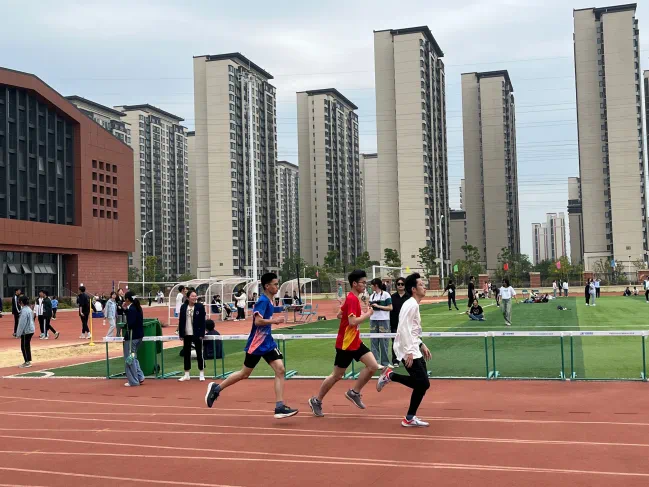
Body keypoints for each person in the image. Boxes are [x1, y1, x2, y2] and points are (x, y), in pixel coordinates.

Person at [205, 272, 298, 419]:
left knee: (280, 370)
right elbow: (258, 321)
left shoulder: (269, 301)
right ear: (267, 286)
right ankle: (217, 388)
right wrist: (274, 321)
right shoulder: (262, 301)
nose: (277, 287)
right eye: (275, 284)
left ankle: (279, 407)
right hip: (257, 344)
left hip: (268, 342)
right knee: (244, 374)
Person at [307, 269, 379, 417]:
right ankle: (316, 400)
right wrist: (368, 314)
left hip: (355, 341)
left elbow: (340, 314)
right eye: (363, 282)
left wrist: (354, 313)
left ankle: (354, 392)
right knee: (336, 375)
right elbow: (352, 322)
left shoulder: (352, 298)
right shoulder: (352, 299)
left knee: (372, 366)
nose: (365, 285)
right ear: (354, 284)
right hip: (346, 344)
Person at [376, 273, 432, 427]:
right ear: (413, 289)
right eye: (421, 285)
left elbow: (412, 330)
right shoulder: (411, 304)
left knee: (423, 385)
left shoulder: (413, 304)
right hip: (407, 349)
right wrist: (408, 352)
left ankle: (409, 418)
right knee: (423, 383)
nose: (424, 287)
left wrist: (421, 344)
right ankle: (390, 375)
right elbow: (403, 328)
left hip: (413, 347)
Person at [178, 290, 206, 382]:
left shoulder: (200, 306)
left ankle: (201, 373)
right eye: (192, 296)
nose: (194, 298)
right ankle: (186, 374)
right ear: (188, 297)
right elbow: (181, 321)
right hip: (187, 333)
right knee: (186, 353)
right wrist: (181, 334)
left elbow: (202, 321)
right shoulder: (183, 307)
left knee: (199, 353)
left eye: (195, 296)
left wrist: (202, 333)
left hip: (197, 333)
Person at [368, 278, 392, 369]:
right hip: (373, 319)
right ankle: (376, 362)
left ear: (376, 285)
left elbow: (390, 307)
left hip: (384, 319)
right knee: (374, 341)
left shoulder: (386, 294)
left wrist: (378, 306)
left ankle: (385, 362)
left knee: (384, 341)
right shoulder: (372, 296)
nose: (371, 286)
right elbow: (370, 308)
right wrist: (370, 306)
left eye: (372, 285)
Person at [123, 291, 145, 387]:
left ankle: (133, 381)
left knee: (130, 358)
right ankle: (140, 376)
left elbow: (131, 323)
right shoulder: (137, 307)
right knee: (134, 356)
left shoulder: (132, 309)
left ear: (127, 299)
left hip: (132, 337)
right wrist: (125, 310)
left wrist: (125, 325)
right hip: (139, 336)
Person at [389, 277, 408, 368]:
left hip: (406, 324)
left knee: (406, 342)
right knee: (395, 343)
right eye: (398, 284)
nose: (400, 285)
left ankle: (406, 359)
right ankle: (395, 360)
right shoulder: (392, 297)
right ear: (396, 285)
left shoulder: (409, 297)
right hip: (395, 323)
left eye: (402, 284)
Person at [16, 295, 35, 368]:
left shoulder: (24, 311)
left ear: (21, 302)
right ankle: (28, 360)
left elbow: (22, 323)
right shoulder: (29, 309)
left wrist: (18, 333)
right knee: (27, 346)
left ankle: (27, 362)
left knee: (24, 346)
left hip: (26, 331)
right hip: (30, 329)